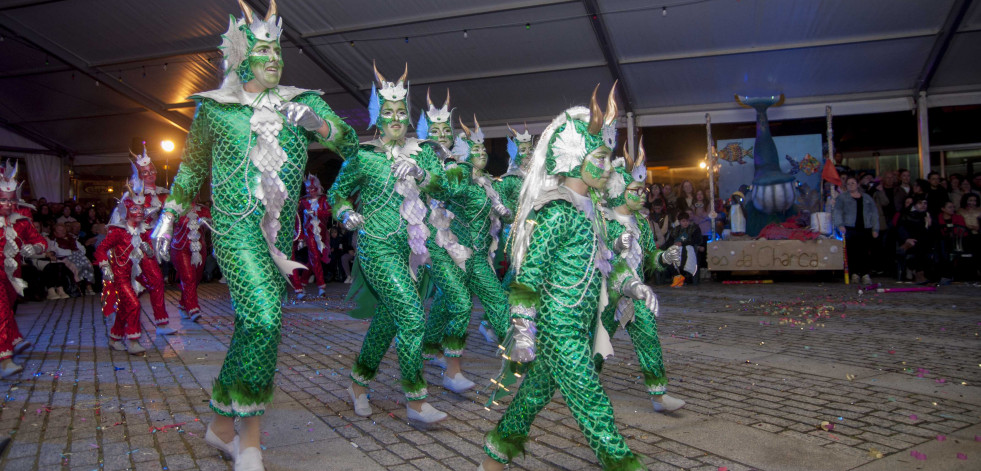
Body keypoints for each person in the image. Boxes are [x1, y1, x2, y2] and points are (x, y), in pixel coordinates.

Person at [149, 2, 359, 468]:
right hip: (234, 227)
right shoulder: (214, 109)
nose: (274, 60)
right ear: (243, 56)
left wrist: (319, 125)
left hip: (280, 233)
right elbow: (192, 168)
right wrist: (168, 216)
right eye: (264, 51)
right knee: (265, 319)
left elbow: (349, 143)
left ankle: (220, 424)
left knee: (251, 324)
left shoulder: (301, 101)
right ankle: (249, 438)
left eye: (278, 51)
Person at [481, 85, 647, 471]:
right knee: (593, 404)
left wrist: (634, 284)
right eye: (601, 158)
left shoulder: (594, 212)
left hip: (582, 322)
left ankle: (495, 453)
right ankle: (623, 464)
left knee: (532, 397)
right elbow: (529, 275)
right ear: (575, 159)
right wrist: (523, 330)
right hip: (558, 326)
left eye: (608, 160)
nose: (608, 169)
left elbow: (607, 264)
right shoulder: (557, 212)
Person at [328, 63, 449, 424]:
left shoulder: (423, 152)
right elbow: (337, 194)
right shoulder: (364, 156)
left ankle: (358, 383)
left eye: (401, 112)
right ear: (377, 116)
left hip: (413, 250)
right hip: (377, 248)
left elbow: (443, 186)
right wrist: (346, 213)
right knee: (412, 317)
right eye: (388, 112)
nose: (396, 118)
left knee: (389, 320)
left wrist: (421, 173)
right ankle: (416, 400)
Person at [422, 116, 511, 393]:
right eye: (476, 150)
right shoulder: (460, 177)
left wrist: (505, 213)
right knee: (464, 303)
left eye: (484, 150)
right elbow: (450, 191)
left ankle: (517, 350)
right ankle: (452, 368)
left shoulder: (485, 183)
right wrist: (449, 162)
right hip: (455, 253)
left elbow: (497, 214)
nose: (482, 153)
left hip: (479, 254)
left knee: (456, 303)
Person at [599, 141, 685, 412]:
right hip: (608, 294)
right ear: (620, 191)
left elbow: (649, 257)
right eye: (635, 190)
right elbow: (596, 255)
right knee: (597, 344)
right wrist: (614, 246)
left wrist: (663, 258)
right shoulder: (604, 220)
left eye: (643, 190)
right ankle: (579, 386)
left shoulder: (643, 224)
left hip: (636, 291)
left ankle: (659, 396)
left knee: (648, 336)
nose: (642, 195)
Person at [0, 163, 47, 378]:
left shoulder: (21, 222)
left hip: (13, 275)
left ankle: (14, 338)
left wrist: (35, 247)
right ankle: (5, 358)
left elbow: (39, 240)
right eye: (3, 199)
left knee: (7, 310)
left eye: (11, 200)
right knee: (1, 311)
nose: (8, 204)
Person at [95, 182, 153, 356]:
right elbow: (100, 249)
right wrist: (105, 266)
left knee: (124, 307)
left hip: (134, 276)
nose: (140, 212)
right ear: (127, 211)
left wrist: (147, 249)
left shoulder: (143, 231)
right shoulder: (118, 231)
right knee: (134, 305)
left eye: (141, 209)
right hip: (119, 275)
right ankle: (134, 341)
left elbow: (149, 254)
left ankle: (115, 338)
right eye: (135, 209)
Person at [833, 176, 880, 285]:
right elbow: (837, 212)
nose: (851, 185)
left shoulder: (867, 198)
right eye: (848, 183)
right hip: (850, 228)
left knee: (865, 252)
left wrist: (875, 228)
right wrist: (840, 225)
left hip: (865, 228)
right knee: (852, 252)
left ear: (857, 184)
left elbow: (874, 213)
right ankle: (854, 274)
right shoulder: (842, 198)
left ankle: (865, 274)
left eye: (853, 183)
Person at [171, 201, 211, 322]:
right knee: (188, 277)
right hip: (181, 247)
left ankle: (184, 304)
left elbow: (211, 225)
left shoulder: (203, 209)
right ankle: (193, 308)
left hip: (199, 248)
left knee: (196, 278)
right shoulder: (174, 207)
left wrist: (207, 222)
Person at [297, 174, 332, 296]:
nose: (310, 191)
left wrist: (316, 212)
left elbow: (329, 212)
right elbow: (298, 219)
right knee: (315, 257)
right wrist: (300, 236)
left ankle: (303, 282)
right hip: (309, 234)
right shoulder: (303, 201)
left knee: (314, 259)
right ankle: (321, 286)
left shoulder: (324, 200)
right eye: (308, 188)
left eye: (313, 188)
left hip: (322, 235)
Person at [47, 222, 96, 296]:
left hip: (78, 256)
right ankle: (78, 287)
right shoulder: (53, 240)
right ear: (55, 232)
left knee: (88, 265)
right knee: (76, 267)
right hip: (64, 257)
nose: (63, 231)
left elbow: (82, 248)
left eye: (63, 229)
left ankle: (88, 287)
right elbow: (57, 251)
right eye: (60, 230)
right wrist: (71, 252)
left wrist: (77, 252)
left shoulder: (71, 238)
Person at [897, 196, 932, 283]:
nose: (923, 205)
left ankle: (919, 272)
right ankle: (919, 273)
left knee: (924, 244)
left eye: (925, 203)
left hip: (923, 242)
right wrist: (907, 239)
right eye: (920, 203)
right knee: (920, 246)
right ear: (915, 204)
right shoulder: (907, 215)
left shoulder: (928, 215)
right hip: (910, 240)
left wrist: (929, 225)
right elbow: (901, 229)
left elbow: (930, 233)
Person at [662, 212, 702, 287]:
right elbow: (670, 241)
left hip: (689, 249)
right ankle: (676, 276)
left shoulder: (694, 229)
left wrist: (683, 244)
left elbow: (696, 240)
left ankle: (685, 276)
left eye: (687, 221)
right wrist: (674, 244)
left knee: (685, 256)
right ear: (679, 221)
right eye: (683, 221)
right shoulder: (675, 230)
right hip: (676, 249)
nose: (685, 223)